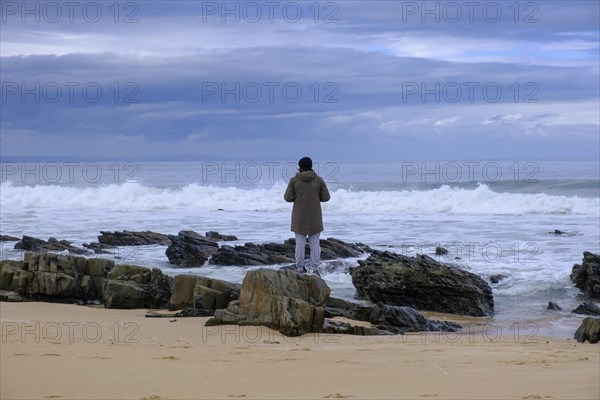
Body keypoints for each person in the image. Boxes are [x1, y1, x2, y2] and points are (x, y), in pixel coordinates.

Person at [284, 157, 330, 276]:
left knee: (300, 244)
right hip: (315, 216)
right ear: (311, 166)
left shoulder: (294, 180)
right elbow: (326, 197)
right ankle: (315, 270)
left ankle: (299, 268)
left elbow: (287, 198)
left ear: (300, 167)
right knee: (315, 244)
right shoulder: (318, 180)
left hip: (299, 217)